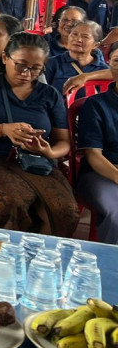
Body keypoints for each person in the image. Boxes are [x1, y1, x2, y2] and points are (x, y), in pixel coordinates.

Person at [0, 33, 79, 235]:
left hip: (39, 162)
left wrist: (49, 152)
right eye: (21, 65)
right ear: (5, 58)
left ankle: (39, 252)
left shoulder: (50, 94)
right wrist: (4, 129)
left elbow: (63, 142)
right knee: (10, 203)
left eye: (35, 68)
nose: (27, 73)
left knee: (65, 210)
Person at [74, 49, 118, 244]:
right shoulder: (96, 105)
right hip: (102, 174)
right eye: (117, 61)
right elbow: (93, 156)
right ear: (109, 65)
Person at [44, 20, 110, 98]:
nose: (78, 39)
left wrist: (85, 77)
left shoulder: (102, 69)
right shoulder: (52, 63)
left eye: (85, 37)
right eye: (74, 34)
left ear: (96, 45)